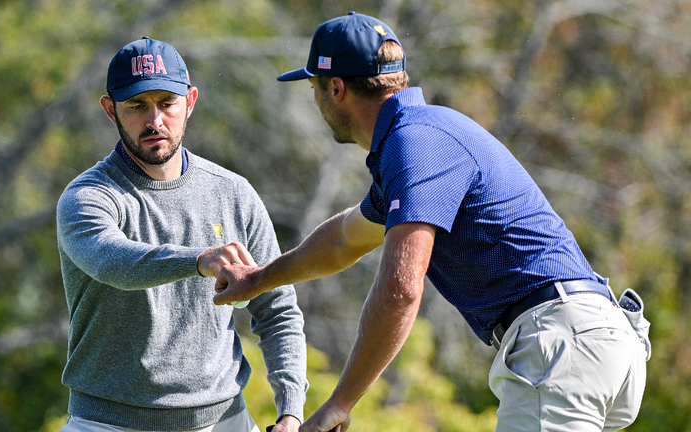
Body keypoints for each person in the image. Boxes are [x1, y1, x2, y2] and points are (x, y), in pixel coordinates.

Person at [213, 12, 650, 432]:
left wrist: (339, 403)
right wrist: (259, 278)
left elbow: (401, 289)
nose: (315, 99)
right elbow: (344, 241)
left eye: (314, 86)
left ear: (337, 88)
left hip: (561, 342)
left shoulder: (415, 143)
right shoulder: (420, 136)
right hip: (591, 340)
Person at [56, 37, 307, 432]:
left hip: (226, 420)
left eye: (166, 103)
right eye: (137, 106)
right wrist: (197, 261)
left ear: (189, 101)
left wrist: (291, 412)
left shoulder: (233, 192)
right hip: (107, 424)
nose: (154, 121)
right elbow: (113, 261)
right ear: (111, 111)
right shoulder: (88, 197)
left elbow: (277, 311)